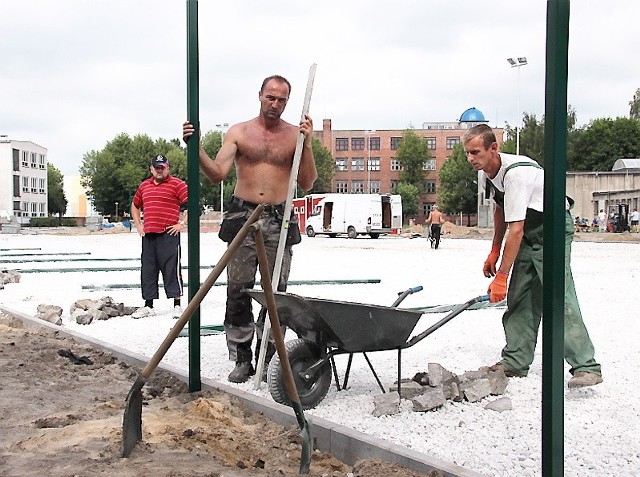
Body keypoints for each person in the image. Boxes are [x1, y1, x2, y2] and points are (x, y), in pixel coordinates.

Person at [182, 75, 317, 383]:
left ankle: (268, 356)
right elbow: (217, 173)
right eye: (271, 97)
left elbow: (307, 183)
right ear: (260, 95)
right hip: (243, 215)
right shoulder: (240, 132)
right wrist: (196, 148)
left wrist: (307, 144)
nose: (275, 104)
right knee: (238, 289)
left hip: (279, 218)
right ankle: (242, 357)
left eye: (282, 100)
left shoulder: (296, 135)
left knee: (275, 295)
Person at [463, 124, 602, 388]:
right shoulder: (487, 172)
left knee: (558, 295)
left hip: (551, 228)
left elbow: (515, 231)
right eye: (467, 153)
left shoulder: (517, 173)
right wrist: (494, 250)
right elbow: (501, 211)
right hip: (529, 229)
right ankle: (515, 361)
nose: (471, 158)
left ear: (493, 148)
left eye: (475, 152)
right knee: (521, 294)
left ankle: (587, 366)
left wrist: (502, 275)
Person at [130, 154, 188, 319]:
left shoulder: (178, 184)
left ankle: (177, 304)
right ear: (151, 169)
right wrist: (138, 225)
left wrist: (181, 224)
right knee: (148, 270)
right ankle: (149, 305)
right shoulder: (144, 186)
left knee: (171, 269)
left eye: (162, 167)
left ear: (168, 168)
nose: (159, 170)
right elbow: (135, 206)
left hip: (168, 234)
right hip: (149, 235)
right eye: (157, 167)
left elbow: (192, 204)